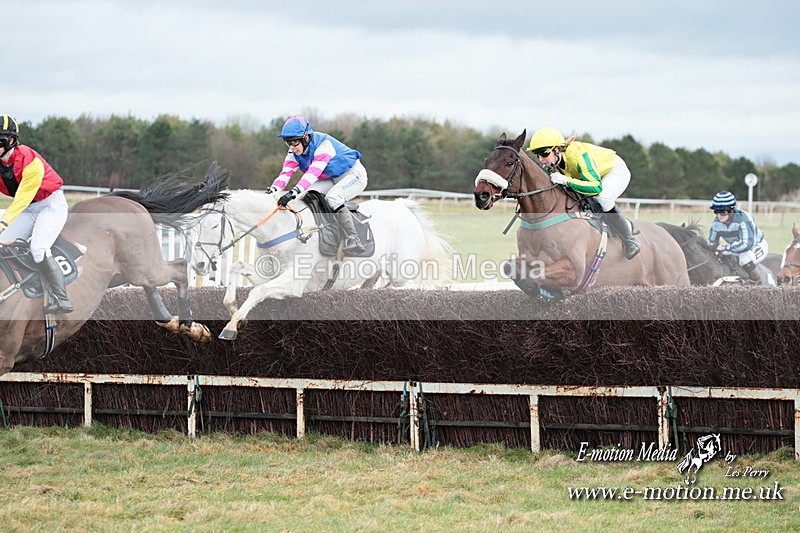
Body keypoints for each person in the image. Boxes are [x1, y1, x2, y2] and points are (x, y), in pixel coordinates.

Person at [526, 126, 641, 260]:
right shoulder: (556, 163)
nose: (541, 159)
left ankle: (629, 239)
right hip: (595, 175)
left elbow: (596, 187)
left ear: (557, 149)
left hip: (614, 171)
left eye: (544, 153)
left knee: (603, 197)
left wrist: (566, 180)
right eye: (537, 154)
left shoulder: (579, 156)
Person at [0, 114, 73, 313]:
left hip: (50, 205)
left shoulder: (29, 159)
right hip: (30, 208)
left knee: (39, 249)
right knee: (3, 243)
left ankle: (62, 299)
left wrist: (3, 222)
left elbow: (22, 198)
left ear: (11, 141)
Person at [267, 116, 368, 254]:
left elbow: (313, 173)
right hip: (331, 177)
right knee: (305, 195)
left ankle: (353, 238)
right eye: (288, 143)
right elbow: (285, 174)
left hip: (353, 174)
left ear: (306, 137)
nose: (291, 147)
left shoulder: (324, 145)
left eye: (295, 142)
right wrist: (273, 190)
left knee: (333, 198)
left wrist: (293, 191)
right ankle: (326, 231)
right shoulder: (293, 152)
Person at [707, 190, 768, 282]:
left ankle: (757, 283)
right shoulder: (716, 224)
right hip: (736, 247)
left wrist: (724, 247)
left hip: (756, 245)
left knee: (745, 259)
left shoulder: (743, 219)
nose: (719, 216)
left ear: (732, 210)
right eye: (716, 212)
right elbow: (711, 243)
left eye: (723, 212)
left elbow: (746, 244)